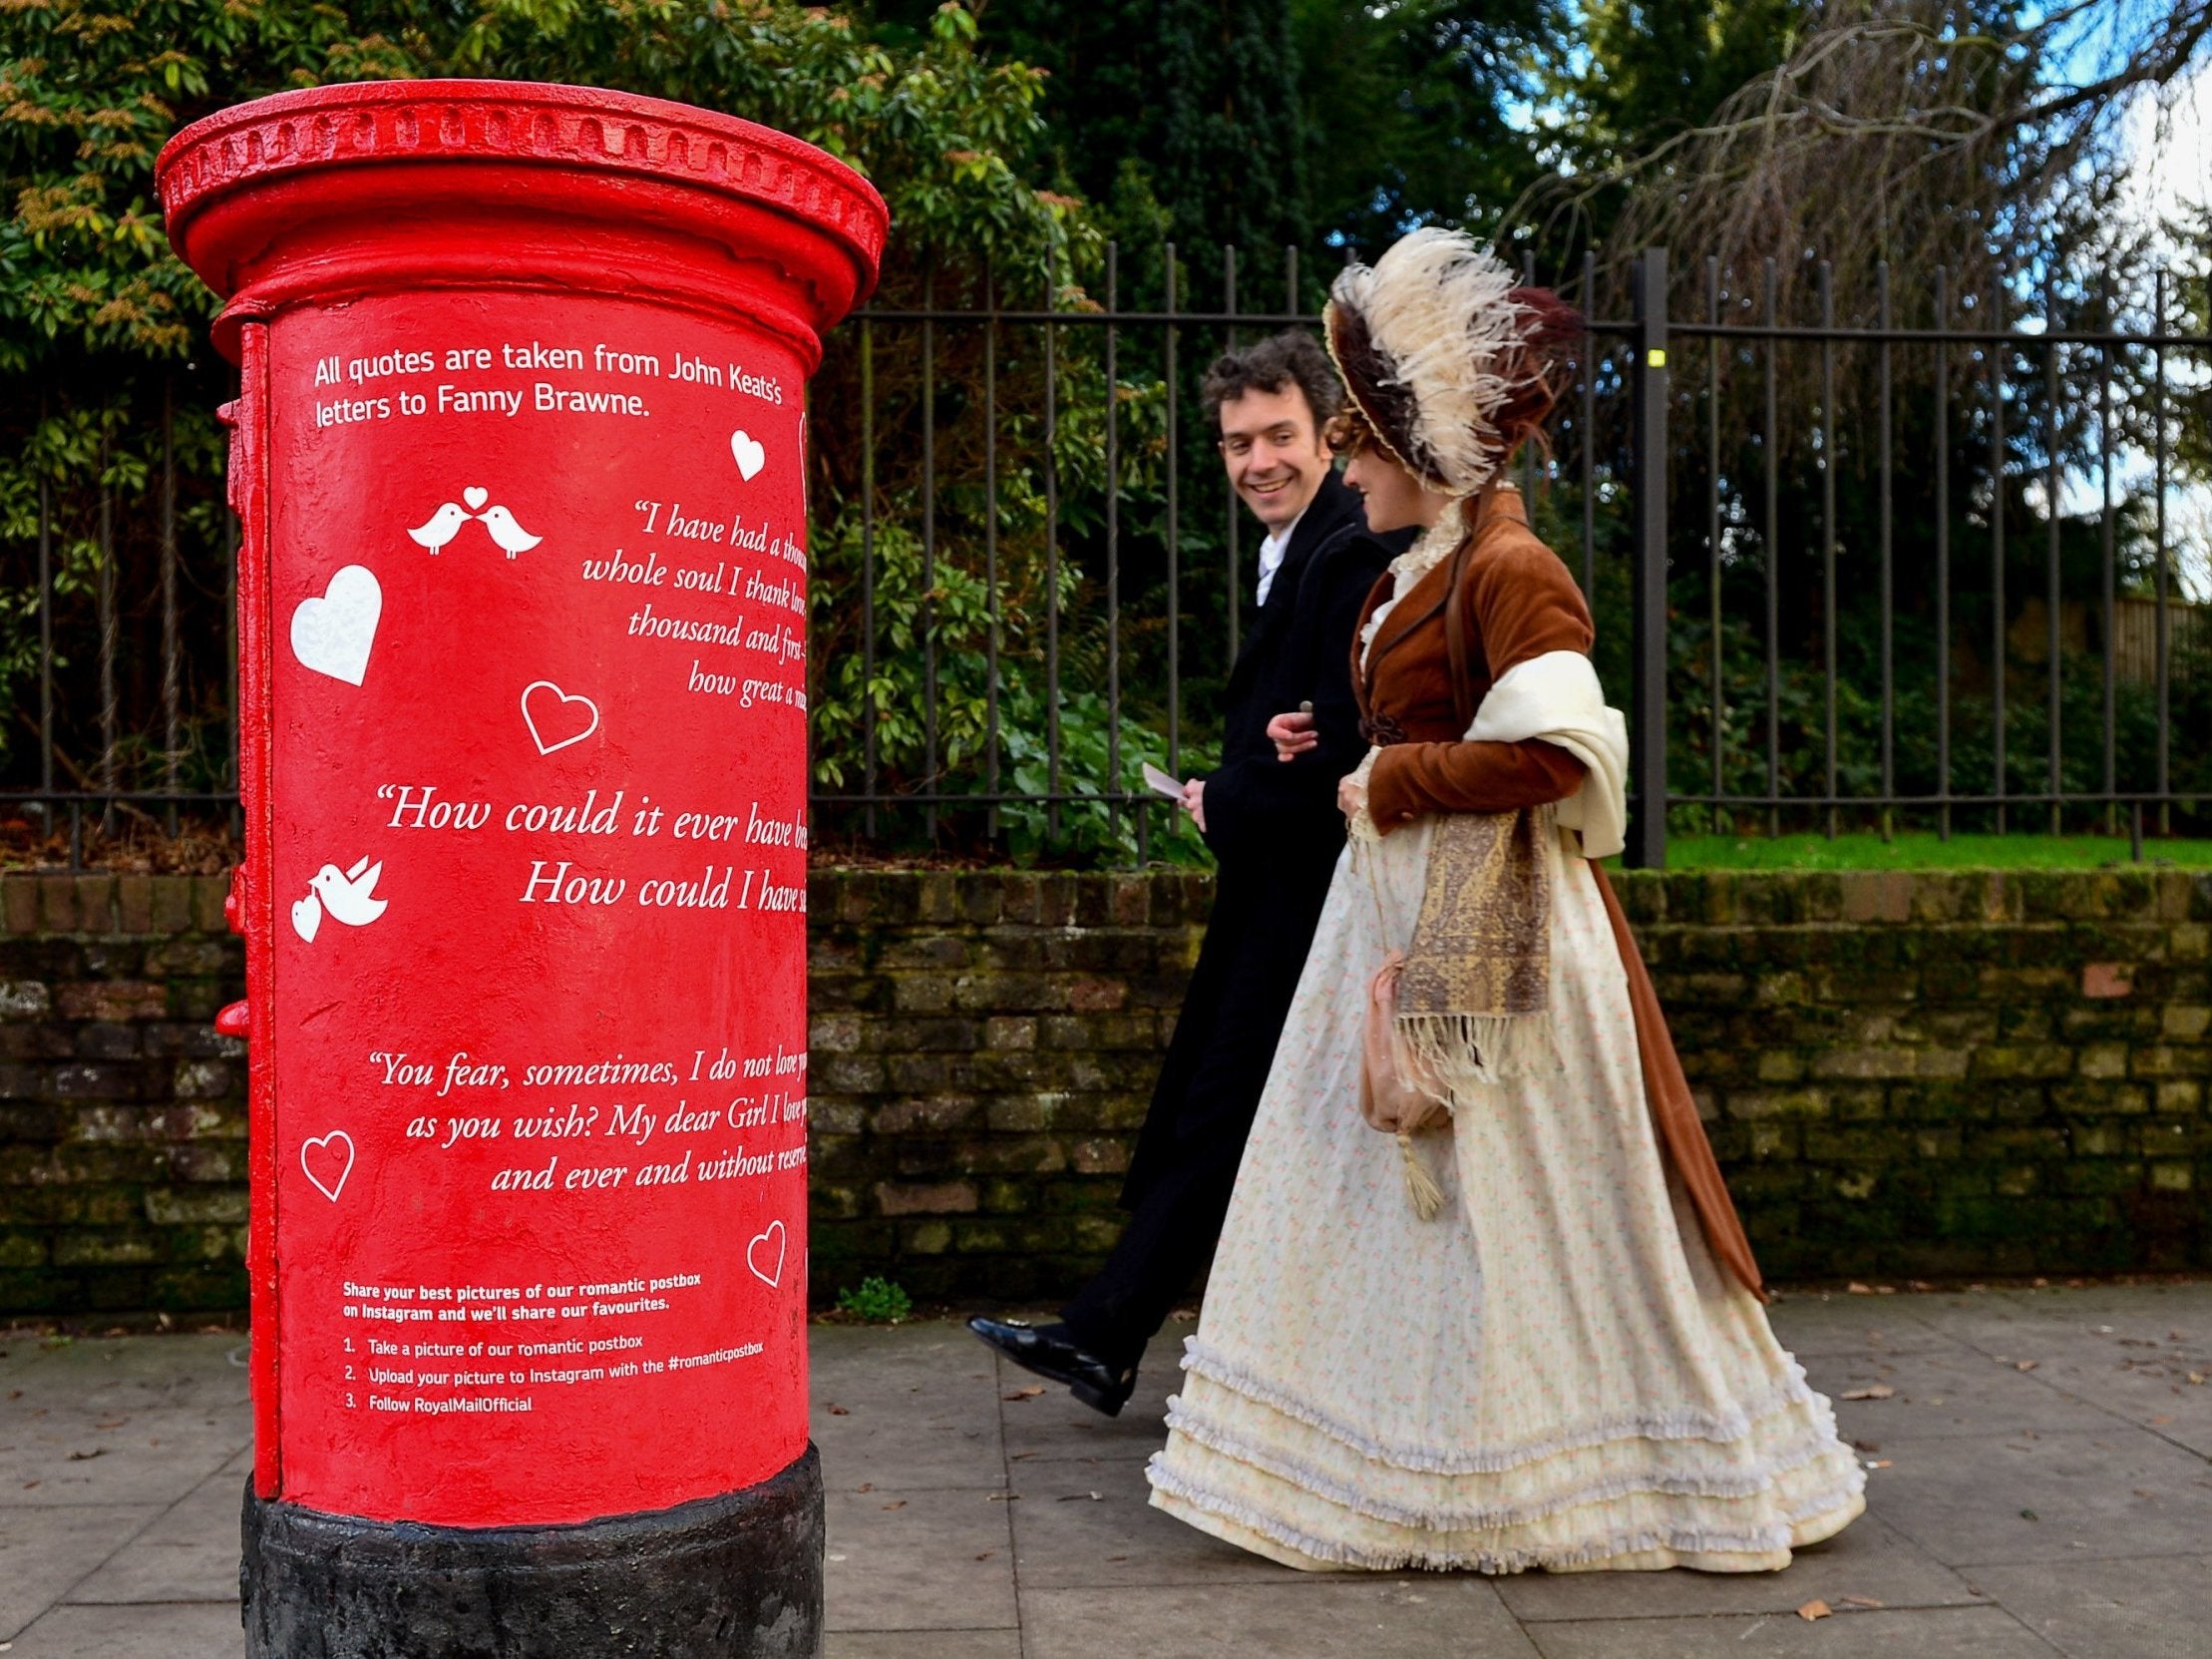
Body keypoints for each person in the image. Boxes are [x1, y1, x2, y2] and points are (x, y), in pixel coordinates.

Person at [1145, 229, 1866, 1570]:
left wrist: (1398, 775)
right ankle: (1404, 1451)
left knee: (1518, 1203)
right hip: (1416, 901)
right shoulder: (1427, 563)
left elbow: (1567, 750)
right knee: (1414, 1196)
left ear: (1423, 458)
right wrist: (1342, 747)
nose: (1344, 466)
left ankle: (1561, 1464)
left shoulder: (1507, 565)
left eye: (1360, 445)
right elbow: (1427, 712)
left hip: (1497, 914)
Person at [968, 332, 1409, 1414]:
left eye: (1278, 437)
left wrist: (1227, 794)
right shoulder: (1297, 545)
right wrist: (1259, 764)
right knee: (1237, 1113)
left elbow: (1340, 748)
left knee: (1231, 1109)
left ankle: (1116, 1333)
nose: (1256, 460)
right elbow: (1290, 732)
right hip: (1276, 881)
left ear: (1325, 432)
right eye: (1234, 442)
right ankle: (1113, 1334)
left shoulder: (1344, 545)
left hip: (1311, 891)